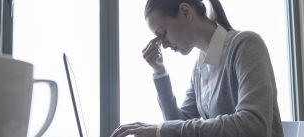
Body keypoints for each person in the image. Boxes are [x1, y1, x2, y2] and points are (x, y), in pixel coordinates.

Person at [110, 0, 284, 137]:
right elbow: (177, 123)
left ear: (185, 11)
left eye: (162, 34)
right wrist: (159, 71)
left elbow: (252, 127)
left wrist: (161, 130)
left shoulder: (245, 45)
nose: (162, 44)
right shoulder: (200, 68)